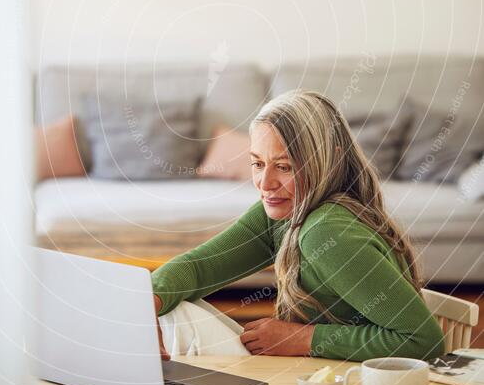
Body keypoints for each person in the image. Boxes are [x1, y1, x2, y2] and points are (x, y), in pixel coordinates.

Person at [152, 90, 445, 362]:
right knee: (169, 307)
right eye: (257, 164)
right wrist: (148, 303)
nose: (265, 184)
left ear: (329, 162)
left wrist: (303, 338)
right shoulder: (286, 210)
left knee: (176, 318)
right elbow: (199, 267)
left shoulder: (326, 231)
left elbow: (424, 342)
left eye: (284, 166)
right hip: (311, 377)